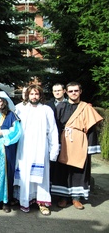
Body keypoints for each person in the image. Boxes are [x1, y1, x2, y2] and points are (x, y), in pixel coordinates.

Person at [51, 82, 103, 210]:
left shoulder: (86, 108)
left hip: (80, 142)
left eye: (76, 91)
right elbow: (54, 127)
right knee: (62, 169)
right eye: (70, 91)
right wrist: (54, 144)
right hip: (64, 141)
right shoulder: (60, 107)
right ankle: (63, 197)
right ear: (66, 92)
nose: (73, 93)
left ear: (80, 91)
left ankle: (76, 198)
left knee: (79, 170)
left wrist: (90, 147)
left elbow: (91, 129)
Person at [14, 85, 59, 216]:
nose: (34, 96)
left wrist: (54, 150)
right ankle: (24, 200)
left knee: (41, 175)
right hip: (24, 146)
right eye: (31, 94)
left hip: (40, 146)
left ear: (40, 95)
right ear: (27, 95)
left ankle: (42, 202)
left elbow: (52, 131)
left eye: (36, 94)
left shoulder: (46, 110)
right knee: (25, 174)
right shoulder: (19, 108)